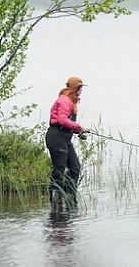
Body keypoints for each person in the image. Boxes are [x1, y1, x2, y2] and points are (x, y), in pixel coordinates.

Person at [45, 76, 89, 210]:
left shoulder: (70, 101)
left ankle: (68, 195)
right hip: (56, 137)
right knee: (59, 169)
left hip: (64, 138)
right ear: (75, 88)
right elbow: (62, 120)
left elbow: (65, 124)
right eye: (80, 87)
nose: (81, 90)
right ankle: (56, 200)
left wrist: (77, 131)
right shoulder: (65, 100)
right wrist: (78, 126)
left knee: (75, 167)